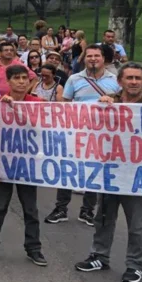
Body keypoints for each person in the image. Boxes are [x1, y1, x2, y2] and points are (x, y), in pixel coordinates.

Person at [74, 62, 142, 282]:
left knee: (138, 225)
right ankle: (99, 256)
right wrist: (101, 106)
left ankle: (135, 265)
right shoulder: (108, 103)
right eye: (129, 78)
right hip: (109, 174)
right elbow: (87, 129)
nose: (134, 82)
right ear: (120, 81)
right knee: (103, 218)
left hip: (138, 178)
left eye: (138, 78)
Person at [0, 65, 47, 266]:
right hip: (5, 163)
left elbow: (42, 127)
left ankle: (34, 249)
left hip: (28, 164)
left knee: (30, 209)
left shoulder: (37, 103)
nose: (21, 82)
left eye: (25, 78)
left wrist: (15, 108)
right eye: (17, 78)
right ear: (8, 81)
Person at [44, 44, 121, 227]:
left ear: (104, 59)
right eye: (89, 56)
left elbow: (122, 105)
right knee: (68, 169)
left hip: (102, 134)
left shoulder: (115, 80)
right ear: (84, 59)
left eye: (96, 56)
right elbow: (66, 105)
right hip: (76, 132)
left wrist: (113, 100)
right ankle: (61, 208)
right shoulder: (74, 79)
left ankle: (87, 211)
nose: (93, 59)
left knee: (93, 171)